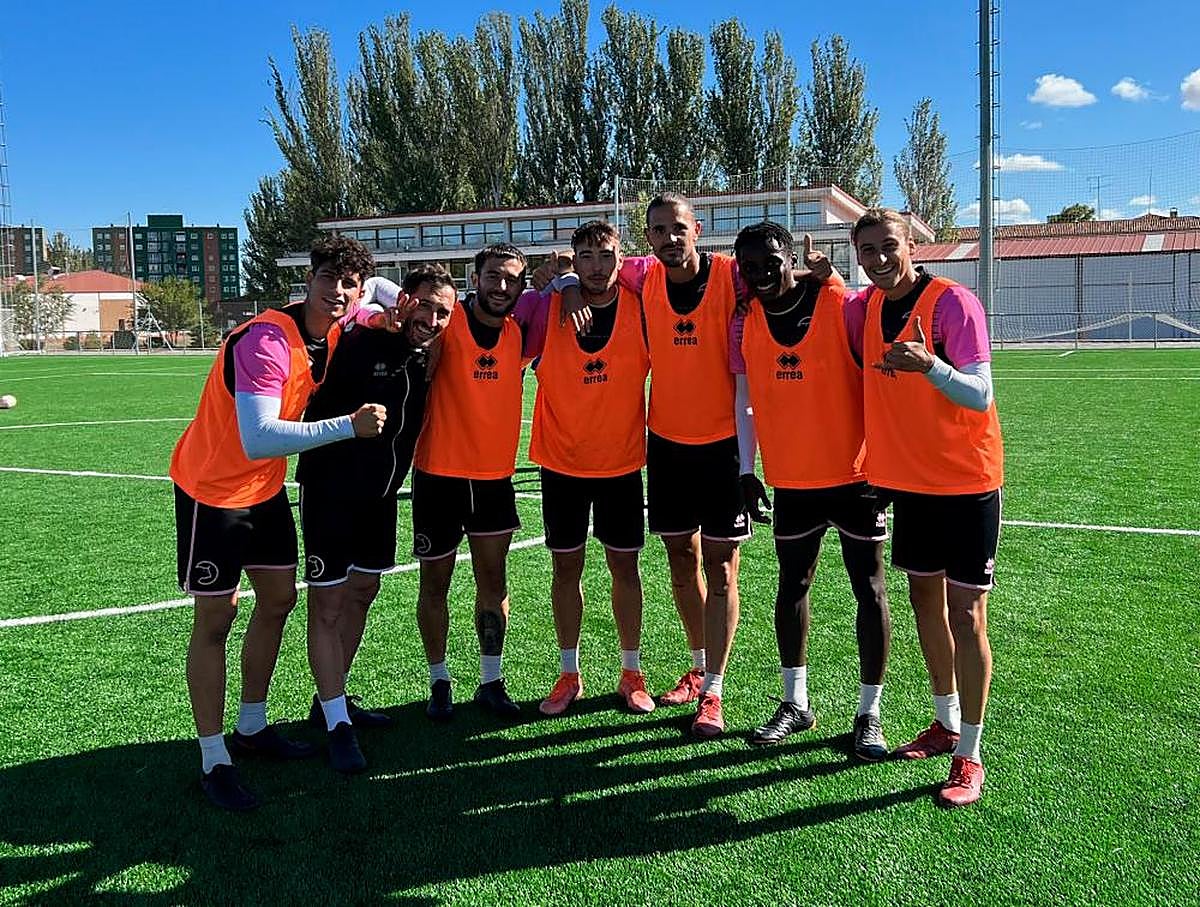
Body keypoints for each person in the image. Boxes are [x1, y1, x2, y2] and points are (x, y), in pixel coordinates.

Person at [169, 236, 385, 810]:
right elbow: (258, 436)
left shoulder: (337, 323)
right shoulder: (268, 340)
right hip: (213, 491)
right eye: (328, 278)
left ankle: (252, 724)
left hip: (262, 492)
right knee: (217, 617)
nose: (338, 291)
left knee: (279, 599)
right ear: (306, 279)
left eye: (349, 283)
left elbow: (383, 295)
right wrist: (348, 425)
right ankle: (214, 758)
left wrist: (391, 302)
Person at [850, 207, 1004, 807]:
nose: (879, 258)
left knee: (967, 617)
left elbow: (981, 391)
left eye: (889, 246)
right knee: (924, 605)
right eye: (867, 250)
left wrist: (931, 366)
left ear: (911, 243)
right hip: (912, 488)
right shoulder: (863, 310)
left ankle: (970, 752)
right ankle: (944, 722)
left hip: (967, 485)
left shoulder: (952, 304)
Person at [731, 221, 891, 761]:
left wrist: (886, 464)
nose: (760, 272)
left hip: (854, 478)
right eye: (748, 265)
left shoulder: (836, 299)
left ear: (790, 255)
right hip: (791, 480)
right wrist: (745, 468)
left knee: (868, 591)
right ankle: (794, 703)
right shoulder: (747, 319)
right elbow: (746, 397)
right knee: (790, 587)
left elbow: (880, 382)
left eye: (769, 259)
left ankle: (870, 712)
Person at [296, 264, 456, 773]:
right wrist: (376, 316)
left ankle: (332, 701)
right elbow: (356, 308)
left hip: (383, 497)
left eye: (442, 312)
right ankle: (337, 725)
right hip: (330, 491)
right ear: (403, 301)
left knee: (363, 592)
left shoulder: (425, 355)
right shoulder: (360, 339)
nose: (431, 319)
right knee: (327, 604)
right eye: (424, 305)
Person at [619, 193, 750, 738]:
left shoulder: (730, 275)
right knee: (679, 556)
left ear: (698, 229)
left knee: (720, 569)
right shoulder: (643, 277)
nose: (669, 238)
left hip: (723, 447)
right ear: (647, 239)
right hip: (667, 445)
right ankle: (698, 667)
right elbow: (588, 267)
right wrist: (566, 283)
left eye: (678, 228)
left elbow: (781, 281)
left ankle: (715, 690)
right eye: (658, 231)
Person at [522, 220, 654, 717]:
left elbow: (666, 268)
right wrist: (554, 283)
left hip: (621, 463)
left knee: (625, 568)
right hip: (561, 464)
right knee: (566, 569)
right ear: (572, 260)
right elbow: (508, 329)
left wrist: (565, 280)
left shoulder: (641, 307)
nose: (597, 267)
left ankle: (631, 671)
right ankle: (569, 672)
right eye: (586, 257)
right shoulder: (548, 307)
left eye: (606, 255)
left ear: (621, 258)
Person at [410, 243, 530, 721]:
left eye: (512, 279)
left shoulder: (520, 333)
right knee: (434, 583)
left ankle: (490, 679)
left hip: (494, 478)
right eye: (493, 276)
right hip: (438, 474)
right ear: (474, 277)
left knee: (493, 581)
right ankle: (439, 680)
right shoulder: (446, 322)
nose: (502, 286)